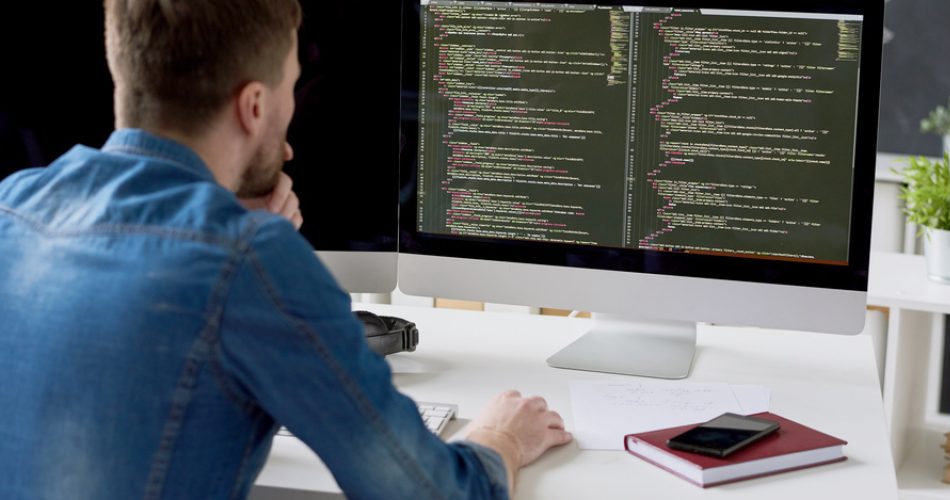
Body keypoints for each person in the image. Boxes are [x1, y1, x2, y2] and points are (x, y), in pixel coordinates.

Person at [0, 1, 572, 499]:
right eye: (291, 86)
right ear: (254, 105)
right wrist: (501, 436)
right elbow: (433, 492)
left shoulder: (13, 203)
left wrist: (233, 233)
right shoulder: (249, 260)